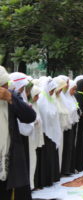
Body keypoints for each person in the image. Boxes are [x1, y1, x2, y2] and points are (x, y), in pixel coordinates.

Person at [0, 66, 36, 200]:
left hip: (9, 159)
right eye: (2, 85)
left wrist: (11, 98)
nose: (5, 87)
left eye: (5, 84)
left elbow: (29, 116)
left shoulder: (11, 96)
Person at [36, 77, 61, 187]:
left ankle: (51, 178)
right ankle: (44, 180)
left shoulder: (50, 98)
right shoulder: (42, 98)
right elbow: (45, 114)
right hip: (45, 132)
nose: (52, 92)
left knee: (51, 156)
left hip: (51, 131)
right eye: (51, 90)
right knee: (45, 157)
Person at [61, 80, 79, 175]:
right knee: (67, 147)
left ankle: (70, 168)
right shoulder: (64, 98)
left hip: (72, 124)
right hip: (66, 126)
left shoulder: (72, 98)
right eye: (73, 89)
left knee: (71, 147)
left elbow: (76, 107)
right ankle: (65, 169)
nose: (74, 92)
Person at [28, 85, 43, 190]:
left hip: (34, 137)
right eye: (36, 95)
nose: (37, 98)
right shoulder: (28, 105)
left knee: (34, 161)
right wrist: (35, 120)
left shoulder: (35, 105)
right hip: (29, 138)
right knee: (31, 161)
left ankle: (32, 184)